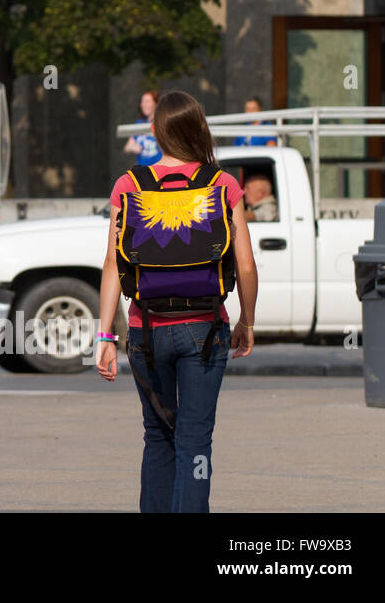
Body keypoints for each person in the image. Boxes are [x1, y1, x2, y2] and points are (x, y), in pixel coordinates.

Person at [96, 90, 259, 513]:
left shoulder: (128, 185)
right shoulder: (222, 184)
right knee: (195, 440)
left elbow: (113, 264)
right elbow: (245, 264)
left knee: (158, 436)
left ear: (154, 132)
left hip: (146, 330)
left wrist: (105, 334)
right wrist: (248, 321)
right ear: (198, 130)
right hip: (206, 328)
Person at [122, 90, 162, 166]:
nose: (143, 104)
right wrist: (133, 147)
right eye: (142, 102)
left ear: (156, 104)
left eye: (147, 101)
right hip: (143, 172)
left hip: (159, 171)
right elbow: (127, 147)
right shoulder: (140, 124)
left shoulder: (162, 123)